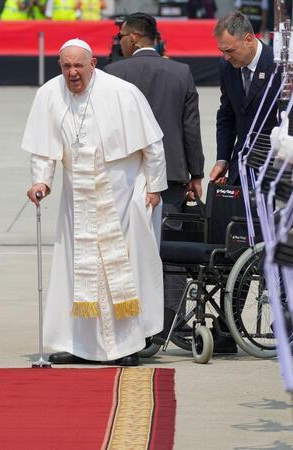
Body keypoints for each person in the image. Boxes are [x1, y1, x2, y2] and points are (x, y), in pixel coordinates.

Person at [22, 38, 167, 367]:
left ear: (93, 64)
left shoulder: (122, 93)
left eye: (78, 65)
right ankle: (79, 345)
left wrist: (154, 187)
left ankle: (126, 346)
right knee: (78, 267)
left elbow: (153, 145)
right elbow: (43, 150)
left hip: (121, 191)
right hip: (77, 195)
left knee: (121, 267)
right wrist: (42, 181)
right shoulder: (49, 94)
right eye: (66, 66)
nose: (72, 72)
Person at [104, 13, 204, 348]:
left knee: (128, 250)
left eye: (121, 36)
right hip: (170, 177)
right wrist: (196, 174)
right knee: (169, 252)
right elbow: (190, 128)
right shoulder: (181, 72)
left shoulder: (113, 73)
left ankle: (130, 321)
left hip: (126, 176)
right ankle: (169, 322)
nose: (119, 42)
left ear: (133, 38)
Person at [211, 11, 279, 186]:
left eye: (230, 51)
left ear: (248, 39)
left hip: (274, 169)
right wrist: (222, 159)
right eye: (222, 52)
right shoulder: (226, 66)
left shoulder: (278, 65)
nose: (226, 57)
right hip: (240, 168)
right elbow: (227, 115)